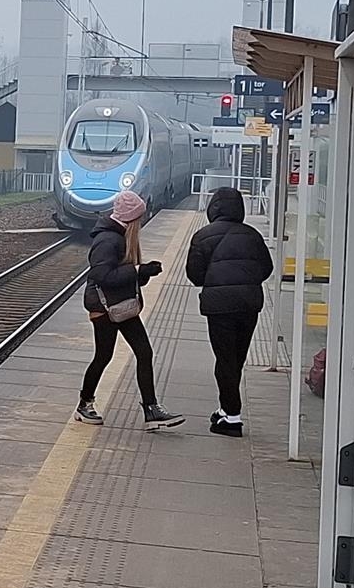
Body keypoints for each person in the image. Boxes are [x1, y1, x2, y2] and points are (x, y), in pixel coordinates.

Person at [76, 190, 185, 430]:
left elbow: (122, 275)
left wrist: (143, 272)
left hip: (122, 304)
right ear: (130, 218)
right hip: (105, 307)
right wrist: (137, 271)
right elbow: (102, 275)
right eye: (140, 218)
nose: (142, 222)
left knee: (144, 352)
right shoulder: (108, 239)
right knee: (103, 356)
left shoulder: (120, 235)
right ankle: (85, 404)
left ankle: (151, 409)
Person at [185, 186, 275, 437]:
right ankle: (226, 411)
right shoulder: (253, 235)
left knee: (225, 359)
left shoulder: (202, 236)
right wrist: (246, 281)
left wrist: (215, 281)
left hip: (219, 305)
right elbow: (266, 268)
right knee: (237, 357)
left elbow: (194, 275)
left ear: (213, 209)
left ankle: (232, 416)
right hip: (249, 303)